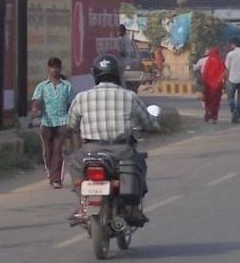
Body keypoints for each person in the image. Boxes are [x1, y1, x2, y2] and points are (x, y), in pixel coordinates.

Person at [66, 55, 158, 225]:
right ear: (117, 74)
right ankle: (133, 208)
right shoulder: (129, 96)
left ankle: (82, 205)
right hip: (122, 150)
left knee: (73, 163)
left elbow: (71, 124)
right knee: (139, 164)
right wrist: (152, 125)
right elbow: (148, 123)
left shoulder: (82, 97)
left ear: (96, 75)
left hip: (90, 151)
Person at [30, 57, 74, 189]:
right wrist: (35, 109)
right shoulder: (42, 86)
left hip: (62, 121)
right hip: (47, 122)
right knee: (47, 151)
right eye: (52, 67)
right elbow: (36, 100)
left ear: (60, 69)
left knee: (57, 150)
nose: (54, 70)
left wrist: (73, 122)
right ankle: (50, 171)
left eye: (56, 67)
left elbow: (71, 104)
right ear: (48, 69)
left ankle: (56, 179)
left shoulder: (67, 86)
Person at [201, 47, 227, 124]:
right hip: (217, 85)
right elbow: (224, 73)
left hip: (208, 85)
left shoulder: (208, 61)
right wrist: (223, 83)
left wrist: (203, 82)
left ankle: (208, 112)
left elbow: (204, 72)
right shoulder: (220, 61)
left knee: (207, 99)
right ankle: (214, 118)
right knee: (216, 102)